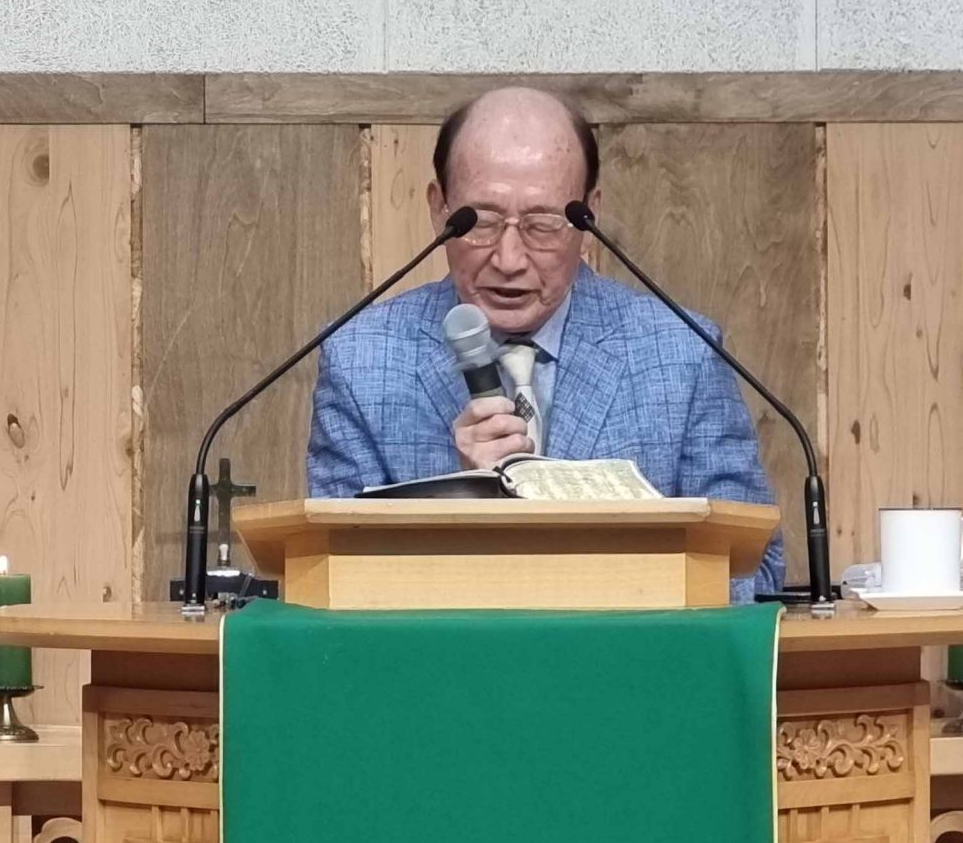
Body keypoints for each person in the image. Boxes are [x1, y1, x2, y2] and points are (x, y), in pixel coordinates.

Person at [306, 86, 786, 599]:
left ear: (588, 217)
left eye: (542, 225)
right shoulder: (361, 361)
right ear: (438, 209)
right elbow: (331, 583)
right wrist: (464, 497)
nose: (509, 259)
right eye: (481, 222)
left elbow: (752, 572)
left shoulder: (682, 354)